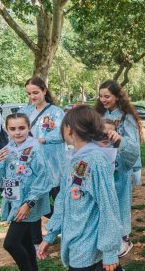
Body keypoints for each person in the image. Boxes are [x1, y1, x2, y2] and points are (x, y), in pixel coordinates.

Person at [37, 105, 123, 271]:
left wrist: (110, 251)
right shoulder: (74, 160)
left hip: (90, 248)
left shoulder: (96, 161)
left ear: (69, 129)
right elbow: (62, 199)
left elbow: (109, 207)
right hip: (75, 246)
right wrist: (51, 234)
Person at [95, 80, 142, 257]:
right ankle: (107, 235)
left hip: (121, 165)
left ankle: (124, 238)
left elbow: (133, 145)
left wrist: (118, 139)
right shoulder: (98, 115)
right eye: (101, 96)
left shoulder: (126, 117)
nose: (103, 99)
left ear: (116, 96)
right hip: (102, 164)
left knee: (121, 201)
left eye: (107, 96)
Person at [0, 113, 51, 271]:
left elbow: (44, 178)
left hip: (27, 204)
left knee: (11, 243)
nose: (17, 132)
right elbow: (1, 179)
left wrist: (29, 203)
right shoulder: (7, 149)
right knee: (26, 243)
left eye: (22, 128)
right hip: (14, 201)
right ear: (6, 130)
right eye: (12, 128)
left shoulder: (35, 148)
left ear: (29, 128)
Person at [18, 76, 65, 248]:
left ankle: (66, 227)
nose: (32, 96)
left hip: (54, 166)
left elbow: (61, 134)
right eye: (29, 93)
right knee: (35, 202)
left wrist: (41, 139)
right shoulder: (25, 111)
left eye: (36, 92)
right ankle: (36, 240)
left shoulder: (56, 112)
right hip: (32, 167)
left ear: (44, 91)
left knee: (59, 201)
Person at [97, 119, 139, 258]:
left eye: (109, 133)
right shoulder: (94, 153)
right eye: (102, 134)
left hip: (120, 193)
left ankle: (124, 238)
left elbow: (133, 155)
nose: (106, 137)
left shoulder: (121, 154)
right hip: (103, 196)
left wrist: (121, 141)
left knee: (121, 216)